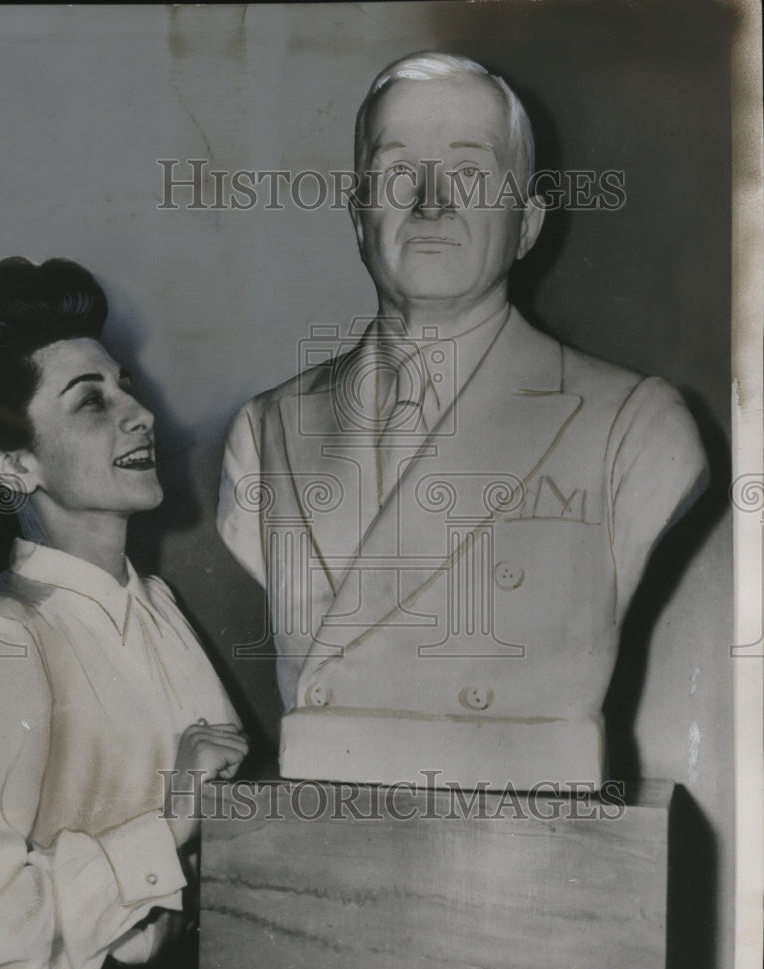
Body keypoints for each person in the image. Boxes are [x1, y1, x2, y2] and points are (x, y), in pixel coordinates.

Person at [216, 53, 708, 788]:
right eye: (396, 173)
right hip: (328, 819)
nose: (431, 203)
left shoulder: (637, 433)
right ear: (357, 215)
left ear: (528, 223)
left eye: (470, 174)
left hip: (529, 825)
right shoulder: (265, 434)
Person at [0, 257, 248, 969]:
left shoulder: (156, 605)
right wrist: (169, 823)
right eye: (91, 401)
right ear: (13, 465)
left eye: (125, 385)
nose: (141, 413)